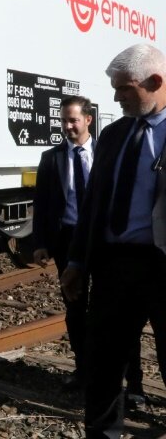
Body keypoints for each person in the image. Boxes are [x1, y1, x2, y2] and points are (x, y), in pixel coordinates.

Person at [62, 43, 166, 438]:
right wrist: (76, 262)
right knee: (104, 360)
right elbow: (92, 206)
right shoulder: (114, 135)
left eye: (125, 88)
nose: (116, 97)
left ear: (155, 83)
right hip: (114, 266)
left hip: (162, 265)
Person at [32, 96, 144, 399]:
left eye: (73, 120)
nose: (67, 127)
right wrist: (40, 242)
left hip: (106, 240)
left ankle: (134, 382)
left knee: (121, 310)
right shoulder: (51, 158)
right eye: (63, 121)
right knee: (75, 309)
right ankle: (84, 371)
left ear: (88, 120)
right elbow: (42, 204)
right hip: (69, 241)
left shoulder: (109, 152)